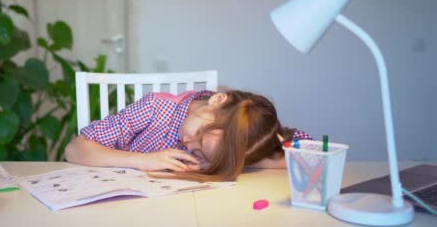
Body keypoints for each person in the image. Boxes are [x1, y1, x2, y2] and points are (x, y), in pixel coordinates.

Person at [64, 89, 311, 182]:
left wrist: (241, 157)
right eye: (199, 137)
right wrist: (139, 160)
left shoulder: (244, 130)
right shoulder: (156, 108)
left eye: (199, 153)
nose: (187, 143)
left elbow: (311, 154)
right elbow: (74, 149)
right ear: (216, 100)